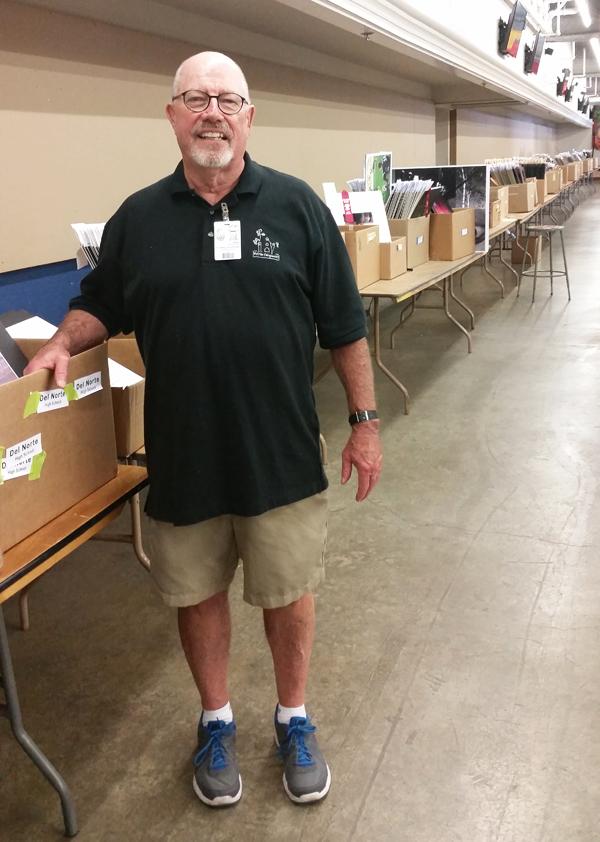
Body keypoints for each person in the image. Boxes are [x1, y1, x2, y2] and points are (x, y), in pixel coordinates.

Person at [25, 51, 382, 807]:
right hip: (184, 451)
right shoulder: (140, 218)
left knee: (288, 589)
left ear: (250, 117)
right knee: (197, 591)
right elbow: (102, 303)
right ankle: (215, 719)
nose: (211, 111)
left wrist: (365, 423)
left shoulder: (296, 210)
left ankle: (293, 715)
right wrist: (61, 341)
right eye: (195, 98)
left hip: (279, 448)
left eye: (228, 99)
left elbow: (347, 327)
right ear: (172, 117)